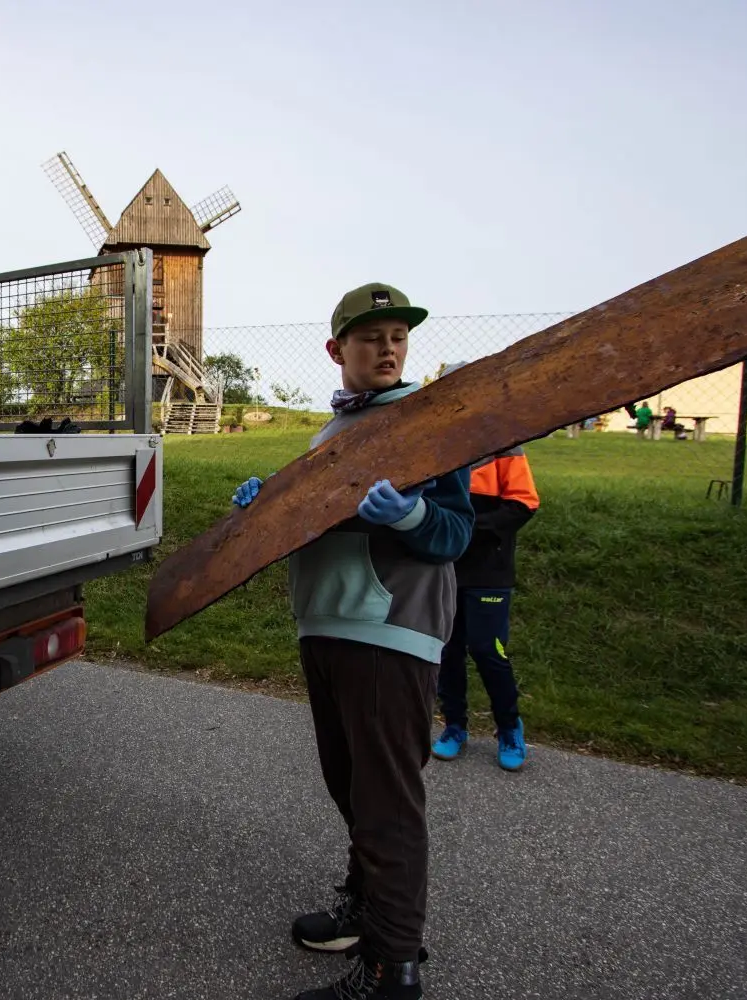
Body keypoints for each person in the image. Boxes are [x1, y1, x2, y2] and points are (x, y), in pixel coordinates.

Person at [232, 283, 473, 1000]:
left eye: (398, 335)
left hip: (387, 634)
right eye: (371, 337)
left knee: (387, 806)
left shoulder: (430, 423)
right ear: (338, 350)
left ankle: (390, 973)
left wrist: (410, 516)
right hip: (328, 629)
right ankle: (367, 914)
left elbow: (456, 532)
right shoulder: (329, 436)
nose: (389, 348)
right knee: (353, 791)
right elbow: (309, 519)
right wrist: (268, 505)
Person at [428, 376, 541, 770]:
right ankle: (454, 726)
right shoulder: (439, 443)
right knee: (447, 651)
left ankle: (509, 728)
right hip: (446, 566)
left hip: (489, 570)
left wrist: (466, 527)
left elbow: (525, 503)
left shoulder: (505, 443)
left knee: (487, 650)